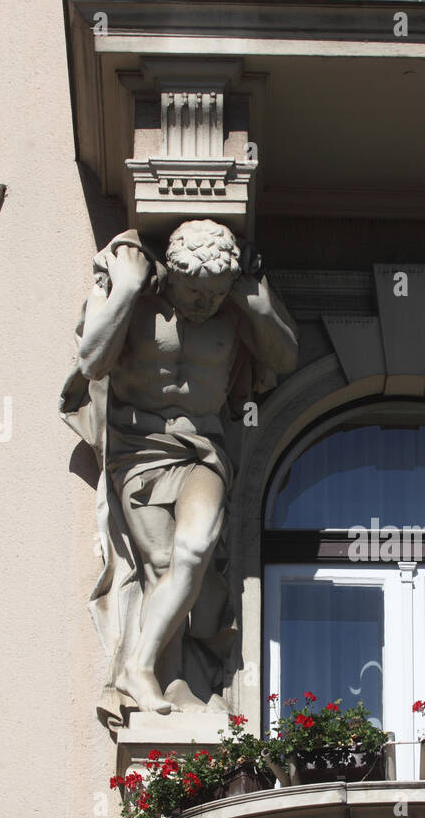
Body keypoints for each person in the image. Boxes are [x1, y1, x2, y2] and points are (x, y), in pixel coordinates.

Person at [61, 219, 297, 721]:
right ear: (171, 271)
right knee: (162, 567)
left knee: (194, 551)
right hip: (139, 449)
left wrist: (255, 306)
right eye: (193, 289)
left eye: (214, 293)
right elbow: (91, 361)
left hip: (202, 448)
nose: (202, 303)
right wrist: (125, 289)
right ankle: (170, 680)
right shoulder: (137, 293)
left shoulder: (233, 307)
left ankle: (140, 668)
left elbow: (285, 355)